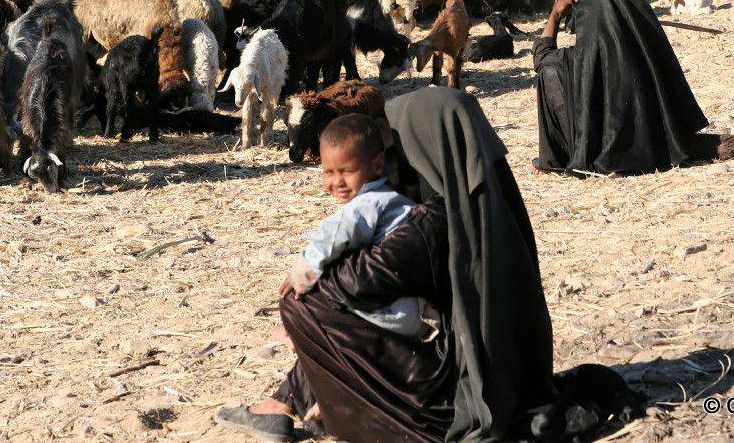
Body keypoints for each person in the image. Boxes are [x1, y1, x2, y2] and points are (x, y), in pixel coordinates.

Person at [216, 87, 642, 442]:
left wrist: (304, 281)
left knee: (304, 304)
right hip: (464, 366)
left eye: (403, 144)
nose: (398, 155)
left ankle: (312, 405)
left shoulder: (433, 218)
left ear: (426, 142)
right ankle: (287, 401)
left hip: (439, 387)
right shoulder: (486, 200)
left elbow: (356, 282)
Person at [534, 0, 734, 176]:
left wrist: (555, 15)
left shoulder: (573, 64)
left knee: (549, 74)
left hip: (600, 155)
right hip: (656, 147)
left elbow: (542, 56)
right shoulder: (646, 50)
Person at [284, 114, 426, 339]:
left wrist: (301, 273)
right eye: (329, 172)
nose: (337, 181)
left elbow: (331, 238)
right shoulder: (393, 198)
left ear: (377, 164)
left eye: (347, 171)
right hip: (415, 308)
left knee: (306, 298)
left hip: (391, 311)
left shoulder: (367, 204)